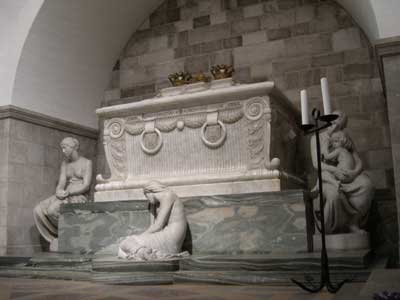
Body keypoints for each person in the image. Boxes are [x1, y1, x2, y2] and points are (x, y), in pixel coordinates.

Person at [310, 110, 374, 234]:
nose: (335, 124)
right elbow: (316, 164)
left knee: (367, 185)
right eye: (333, 120)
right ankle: (329, 230)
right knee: (334, 196)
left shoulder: (344, 137)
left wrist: (354, 173)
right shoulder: (316, 137)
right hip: (328, 176)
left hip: (348, 175)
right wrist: (335, 170)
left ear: (342, 125)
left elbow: (358, 160)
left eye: (339, 122)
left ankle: (353, 223)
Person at [33, 137, 92, 250]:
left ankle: (68, 235)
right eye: (62, 148)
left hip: (79, 196)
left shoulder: (87, 162)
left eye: (65, 148)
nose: (63, 151)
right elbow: (61, 182)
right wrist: (58, 191)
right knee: (38, 210)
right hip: (65, 194)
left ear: (73, 147)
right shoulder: (65, 164)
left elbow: (86, 185)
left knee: (52, 210)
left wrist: (69, 192)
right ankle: (55, 237)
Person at [118, 181, 188, 260]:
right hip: (162, 233)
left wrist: (140, 236)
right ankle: (142, 252)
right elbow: (153, 226)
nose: (147, 199)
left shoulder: (168, 195)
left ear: (149, 192)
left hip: (172, 236)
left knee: (127, 242)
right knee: (126, 243)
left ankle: (141, 252)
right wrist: (152, 207)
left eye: (146, 196)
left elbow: (158, 226)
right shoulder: (154, 204)